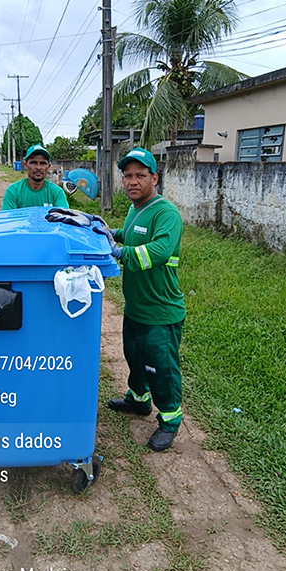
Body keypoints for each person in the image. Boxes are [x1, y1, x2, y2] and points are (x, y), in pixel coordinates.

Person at [104, 147, 186, 452]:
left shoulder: (166, 213)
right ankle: (138, 400)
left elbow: (161, 250)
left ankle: (170, 420)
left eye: (140, 175)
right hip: (136, 307)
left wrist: (120, 253)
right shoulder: (135, 208)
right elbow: (130, 234)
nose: (132, 181)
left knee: (161, 368)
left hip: (160, 311)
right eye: (127, 175)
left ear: (155, 177)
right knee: (134, 358)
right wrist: (109, 233)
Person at [1, 144, 70, 210]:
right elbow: (8, 220)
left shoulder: (57, 193)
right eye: (33, 163)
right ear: (25, 165)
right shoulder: (13, 191)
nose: (38, 167)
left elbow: (63, 218)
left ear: (48, 167)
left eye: (43, 163)